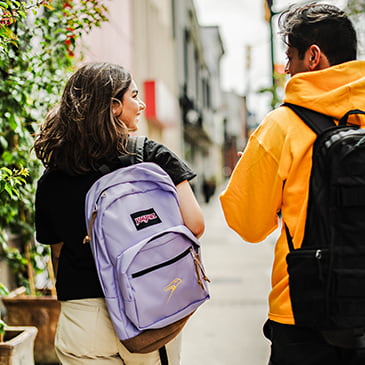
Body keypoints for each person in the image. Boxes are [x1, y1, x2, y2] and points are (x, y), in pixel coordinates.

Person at [220, 3, 365, 365]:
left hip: (303, 312)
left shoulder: (280, 126)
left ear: (313, 57)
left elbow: (248, 224)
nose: (287, 69)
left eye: (290, 57)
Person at [33, 62, 205, 365]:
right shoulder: (150, 156)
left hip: (82, 318)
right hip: (148, 307)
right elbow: (194, 225)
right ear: (113, 106)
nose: (141, 104)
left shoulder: (52, 176)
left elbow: (57, 254)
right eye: (134, 96)